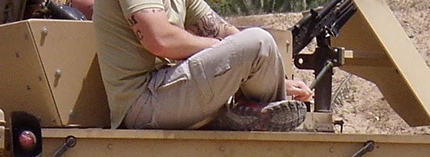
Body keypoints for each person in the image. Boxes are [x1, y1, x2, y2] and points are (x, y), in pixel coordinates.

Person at [94, 0, 314, 131]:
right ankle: (253, 113)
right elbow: (160, 41)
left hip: (169, 90)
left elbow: (225, 32)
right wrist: (228, 50)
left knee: (262, 46)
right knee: (259, 42)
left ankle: (254, 111)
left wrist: (276, 78)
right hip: (143, 102)